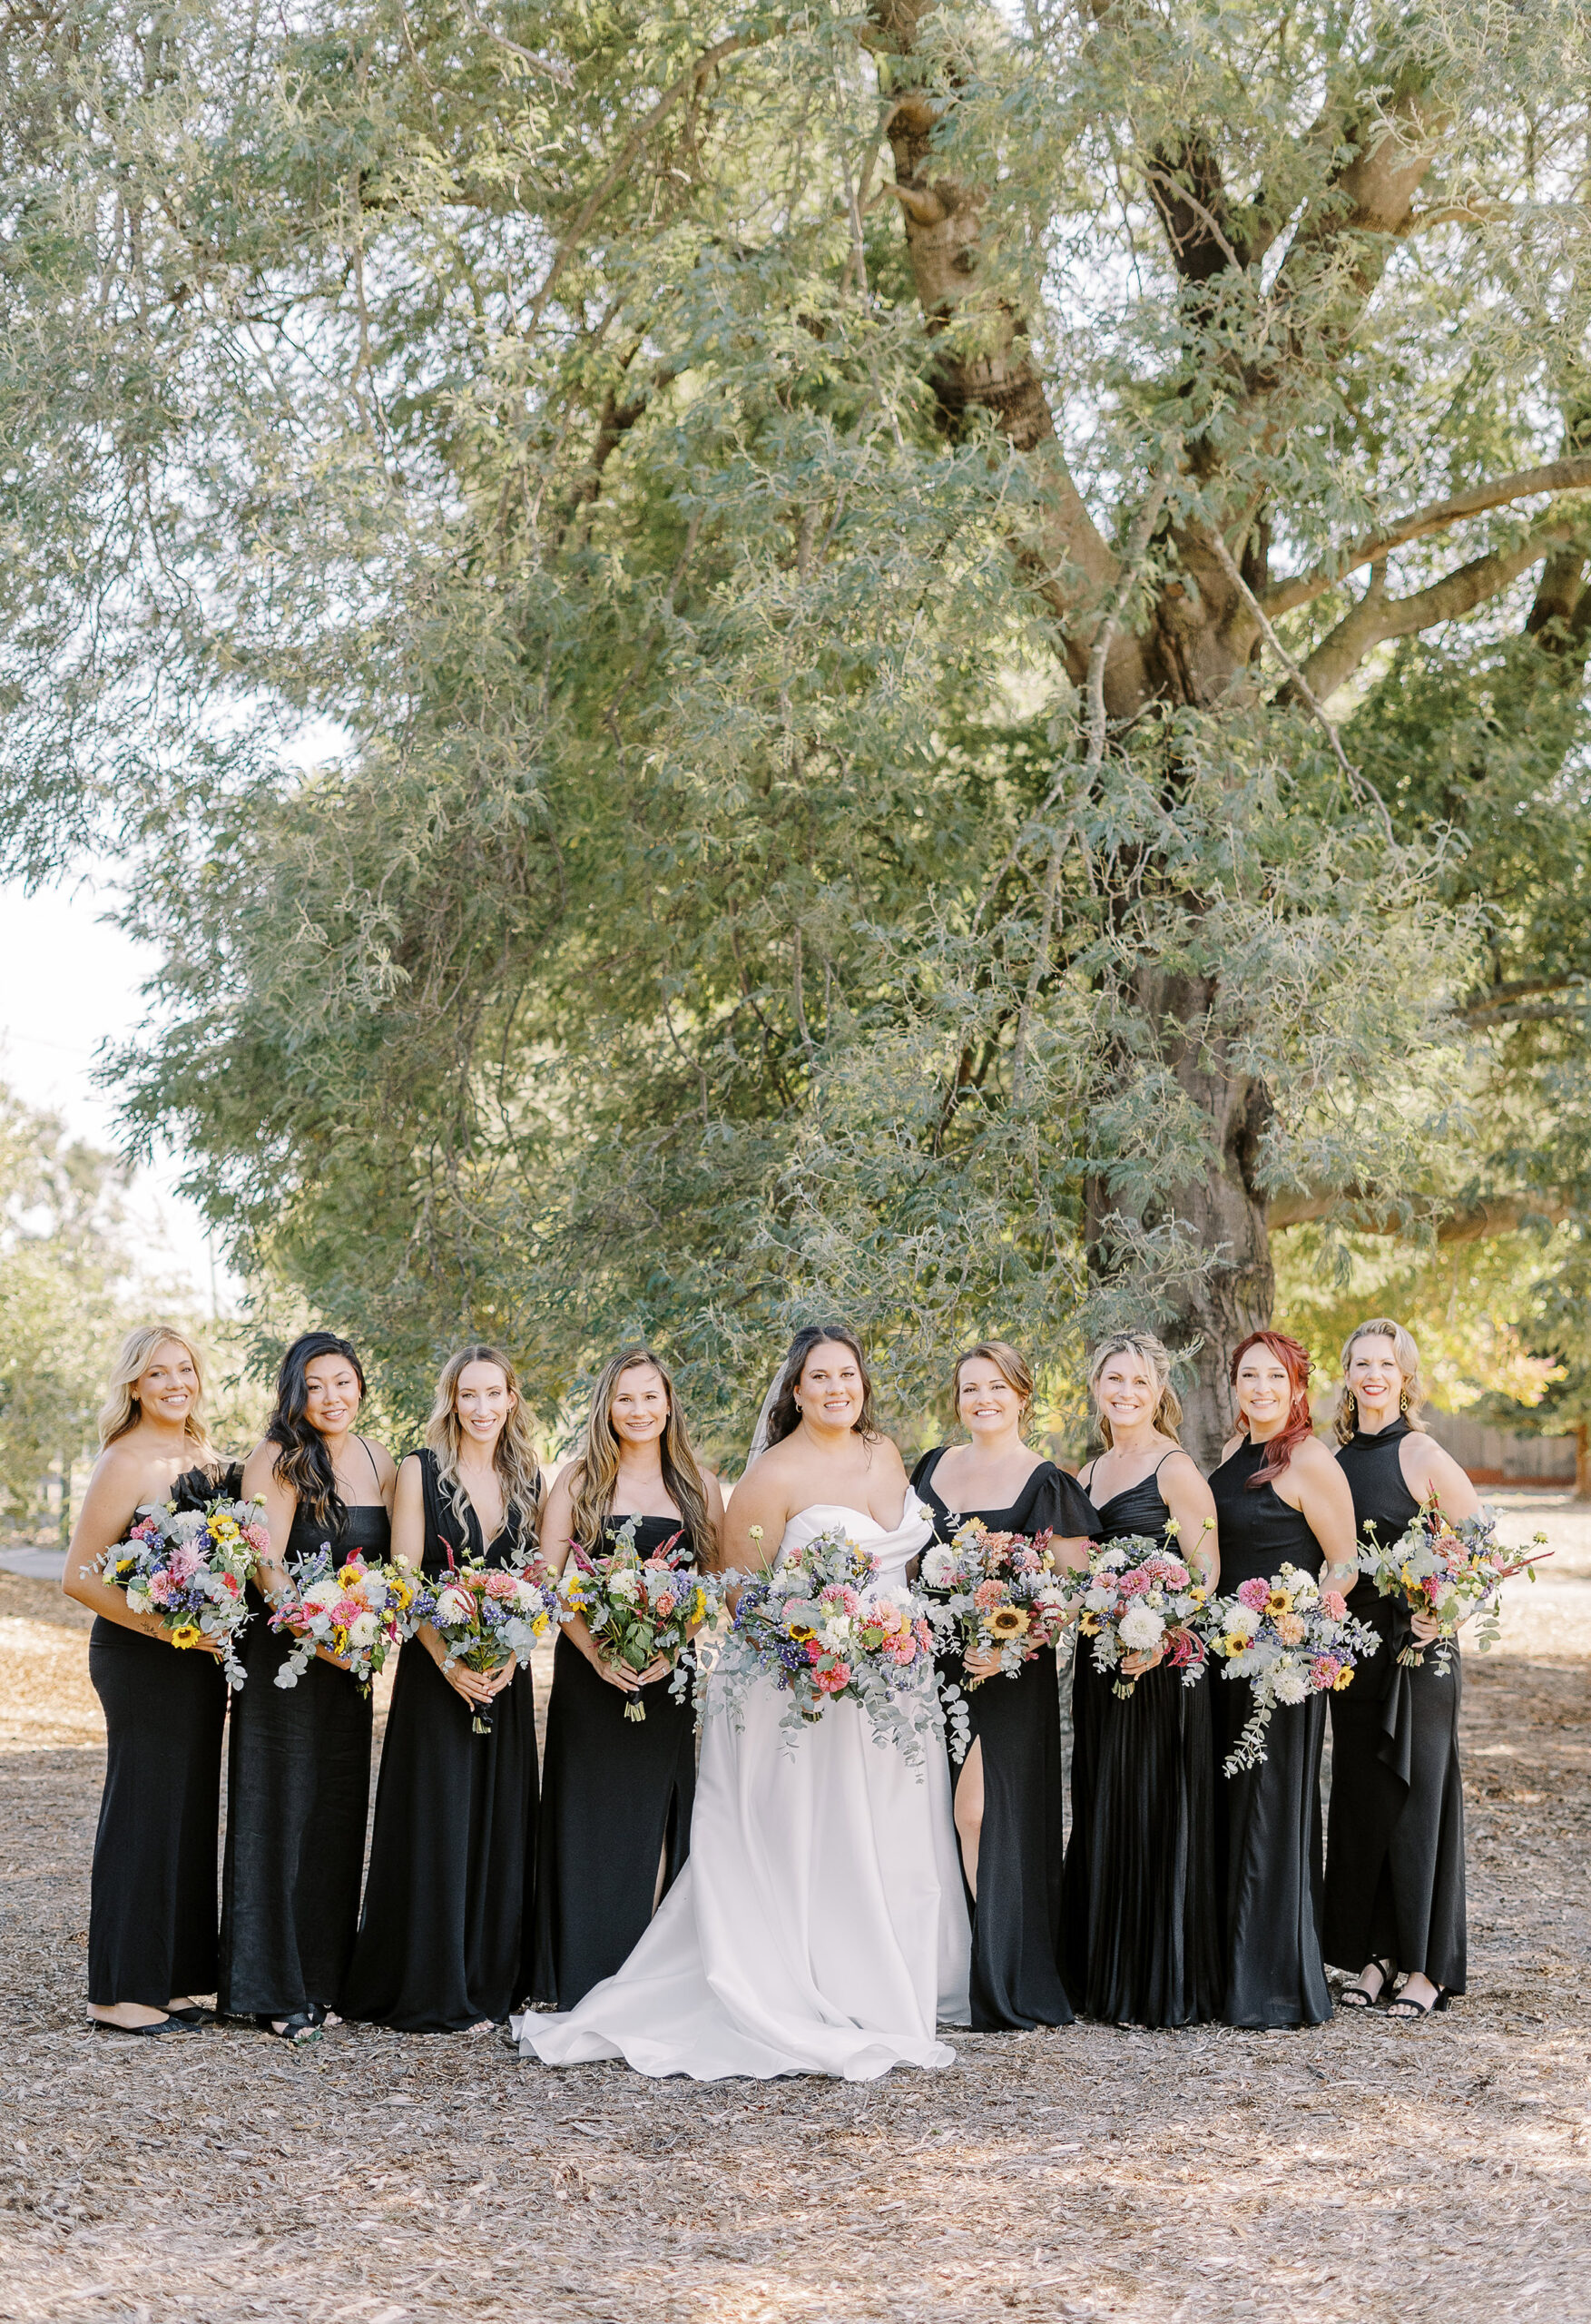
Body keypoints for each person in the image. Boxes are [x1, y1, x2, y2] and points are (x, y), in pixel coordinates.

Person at [512, 1324, 970, 2079]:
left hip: (891, 1683)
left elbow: (905, 1565)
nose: (835, 1389)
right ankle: (796, 1979)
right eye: (818, 1377)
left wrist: (887, 1635)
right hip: (806, 1689)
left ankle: (882, 1981)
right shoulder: (771, 1476)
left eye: (846, 1375)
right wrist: (823, 1646)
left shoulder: (885, 1453)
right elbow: (742, 1595)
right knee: (813, 1835)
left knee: (886, 1832)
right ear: (794, 1392)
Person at [341, 1345, 544, 2032]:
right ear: (450, 1401)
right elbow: (404, 1579)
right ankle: (428, 1986)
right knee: (437, 1818)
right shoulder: (418, 1471)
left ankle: (487, 1982)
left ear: (512, 1399)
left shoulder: (527, 1476)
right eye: (468, 1395)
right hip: (436, 1676)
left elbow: (536, 1582)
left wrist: (510, 1658)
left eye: (494, 1394)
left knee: (496, 1819)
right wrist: (448, 1661)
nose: (482, 1409)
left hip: (504, 1678)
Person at [530, 1346, 724, 2010]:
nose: (638, 1411)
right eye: (624, 1399)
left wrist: (675, 1645)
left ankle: (658, 1974)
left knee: (656, 1817)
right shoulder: (579, 1481)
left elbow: (710, 1583)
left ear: (668, 1403)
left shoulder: (698, 1481)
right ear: (606, 1407)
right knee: (588, 1815)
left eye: (649, 1397)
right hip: (592, 1675)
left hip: (667, 1676)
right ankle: (583, 1974)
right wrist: (595, 1653)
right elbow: (552, 1584)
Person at [910, 1340, 1096, 2029]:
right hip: (930, 1669)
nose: (982, 1399)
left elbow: (1072, 1589)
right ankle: (954, 1970)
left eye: (995, 1387)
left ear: (1021, 1395)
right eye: (969, 1389)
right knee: (934, 1814)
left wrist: (1015, 1642)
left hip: (1007, 1673)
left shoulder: (1047, 1482)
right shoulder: (930, 1467)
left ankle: (1005, 1972)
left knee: (983, 1813)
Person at [220, 1332, 395, 2043]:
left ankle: (323, 1975)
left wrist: (362, 1635)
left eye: (343, 1381)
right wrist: (318, 1635)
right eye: (315, 1385)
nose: (332, 1397)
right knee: (277, 1811)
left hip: (349, 1664)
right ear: (295, 1392)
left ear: (360, 1384)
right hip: (285, 1661)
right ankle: (269, 1988)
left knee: (334, 1811)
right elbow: (266, 1568)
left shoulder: (379, 1458)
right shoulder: (278, 1458)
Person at [64, 1326, 232, 2035]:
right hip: (140, 1657)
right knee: (143, 1810)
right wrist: (167, 1630)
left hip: (198, 1659)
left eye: (185, 1369)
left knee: (190, 1807)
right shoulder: (122, 1461)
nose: (174, 1383)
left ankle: (180, 1978)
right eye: (158, 1373)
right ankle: (122, 1992)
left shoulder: (208, 1457)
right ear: (134, 1385)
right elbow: (80, 1577)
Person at [1063, 1333, 1223, 2026]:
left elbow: (1207, 1568)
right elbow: (1074, 1569)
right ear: (1095, 1387)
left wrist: (1163, 1633)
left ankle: (1156, 1984)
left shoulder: (1175, 1467)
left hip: (1162, 1666)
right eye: (1112, 1380)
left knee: (1155, 1805)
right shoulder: (1088, 1473)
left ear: (1159, 1391)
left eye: (1138, 1381)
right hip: (1102, 1665)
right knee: (1103, 1797)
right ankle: (1102, 1978)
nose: (1124, 1392)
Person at [1325, 1318, 1478, 2019]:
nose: (1372, 1376)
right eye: (1361, 1364)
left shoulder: (1420, 1452)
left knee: (1419, 1805)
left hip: (1418, 1656)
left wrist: (1440, 1612)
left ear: (1404, 1375)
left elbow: (1476, 1547)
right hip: (1354, 1657)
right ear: (1347, 1375)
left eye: (1385, 1364)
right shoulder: (1331, 1458)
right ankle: (1373, 1956)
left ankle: (1426, 1968)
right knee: (1364, 1806)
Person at [1207, 1329, 1358, 2029]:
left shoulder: (1308, 1458)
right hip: (1223, 1659)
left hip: (1282, 1665)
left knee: (1270, 1808)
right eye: (1248, 1376)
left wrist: (1298, 1625)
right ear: (1233, 1385)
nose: (1260, 1388)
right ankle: (1226, 1967)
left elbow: (1343, 1563)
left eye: (1274, 1377)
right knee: (1230, 1808)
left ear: (1297, 1387)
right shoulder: (1233, 1454)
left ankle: (1269, 1983)